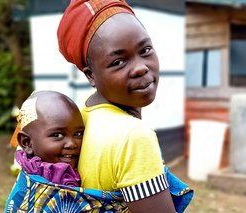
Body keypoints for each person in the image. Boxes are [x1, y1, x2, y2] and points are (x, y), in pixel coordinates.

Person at [57, 0, 193, 212]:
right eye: (118, 62)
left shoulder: (82, 115)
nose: (140, 68)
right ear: (91, 75)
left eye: (146, 50)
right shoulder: (133, 137)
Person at [9, 90, 84, 187]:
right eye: (57, 135)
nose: (72, 144)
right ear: (26, 142)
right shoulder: (42, 182)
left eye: (78, 134)